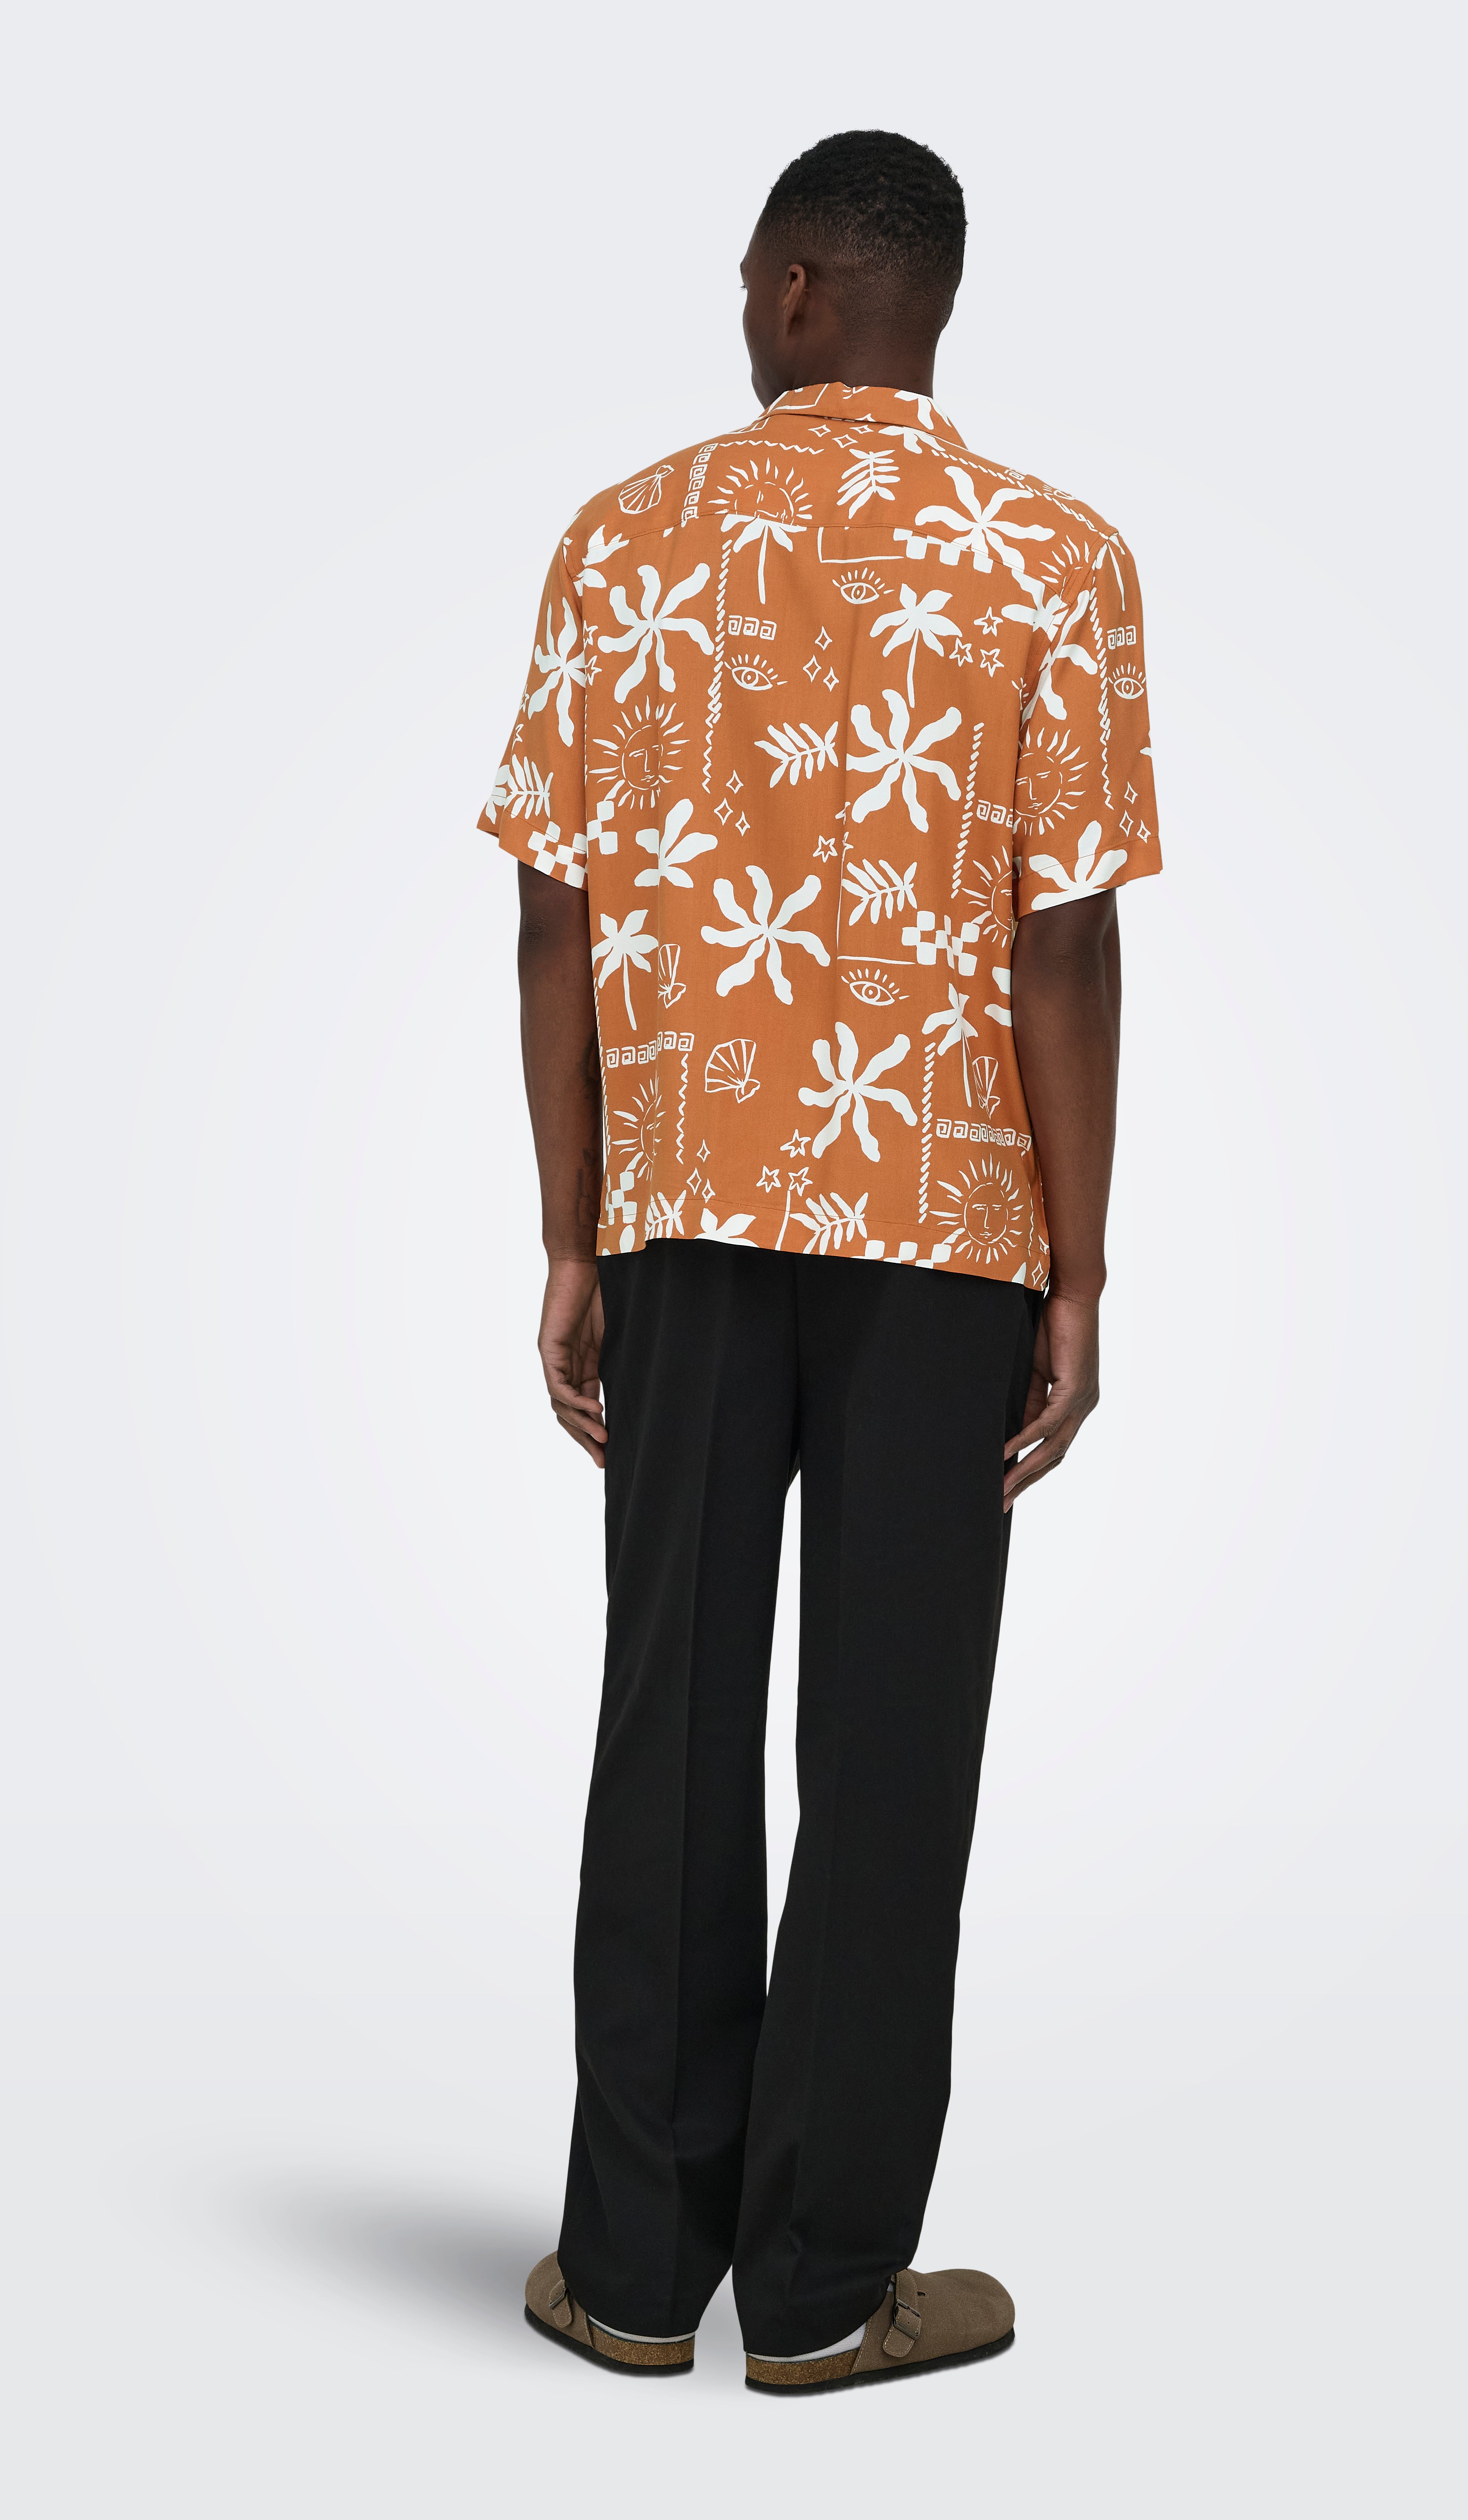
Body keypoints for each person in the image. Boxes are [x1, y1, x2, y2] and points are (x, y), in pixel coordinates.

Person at [483, 129, 1160, 2395]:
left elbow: (557, 911)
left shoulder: (627, 534)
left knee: (670, 1707)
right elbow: (1064, 940)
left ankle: (630, 2269)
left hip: (682, 1198)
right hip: (945, 1219)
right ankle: (825, 2282)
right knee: (892, 1738)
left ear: (790, 290)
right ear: (929, 306)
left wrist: (570, 1225)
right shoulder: (1056, 553)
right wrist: (1078, 1267)